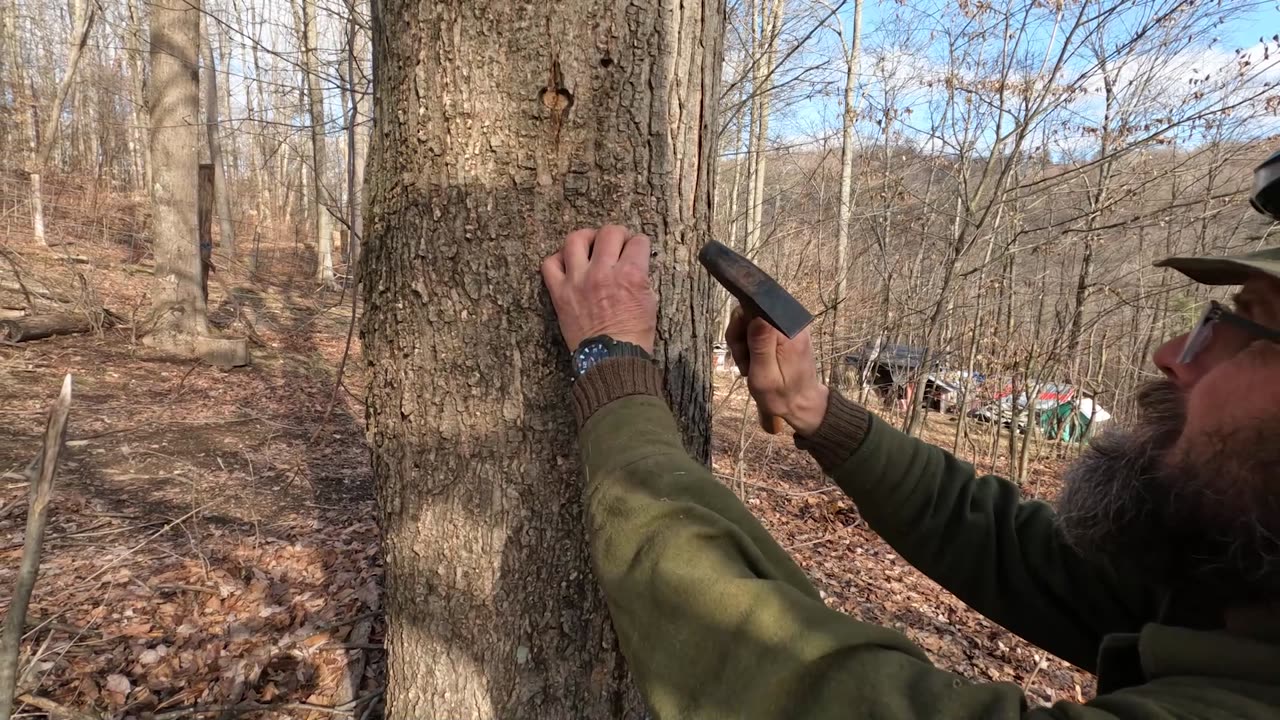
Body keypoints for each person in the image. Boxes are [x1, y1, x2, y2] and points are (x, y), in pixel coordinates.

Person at [539, 167, 1280, 718]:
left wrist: (615, 373)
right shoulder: (1244, 595)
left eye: (1245, 328)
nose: (1175, 350)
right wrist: (817, 412)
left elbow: (817, 697)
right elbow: (1019, 551)